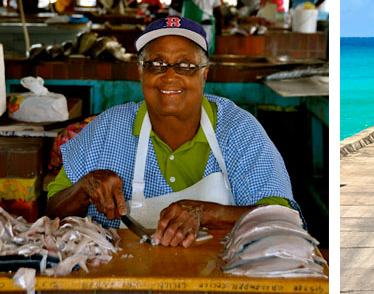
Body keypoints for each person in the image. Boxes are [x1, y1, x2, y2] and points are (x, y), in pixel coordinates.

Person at [45, 16, 297, 247]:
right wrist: (83, 188)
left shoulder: (238, 130)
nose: (170, 76)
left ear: (204, 73)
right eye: (156, 64)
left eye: (186, 65)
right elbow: (53, 209)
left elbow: (283, 219)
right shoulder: (108, 128)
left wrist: (207, 213)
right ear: (141, 72)